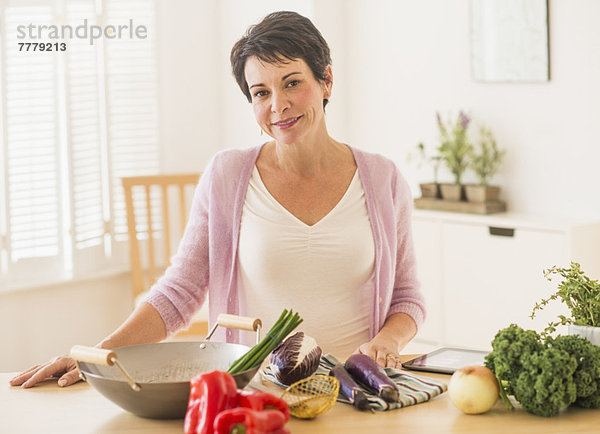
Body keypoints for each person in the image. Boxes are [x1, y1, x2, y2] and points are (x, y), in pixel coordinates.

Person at [9, 11, 425, 389]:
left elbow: (407, 298)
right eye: (260, 93)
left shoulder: (383, 179)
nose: (278, 105)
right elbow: (179, 292)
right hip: (254, 393)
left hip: (354, 392)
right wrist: (97, 356)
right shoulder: (227, 176)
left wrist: (387, 341)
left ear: (326, 80)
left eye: (292, 83)